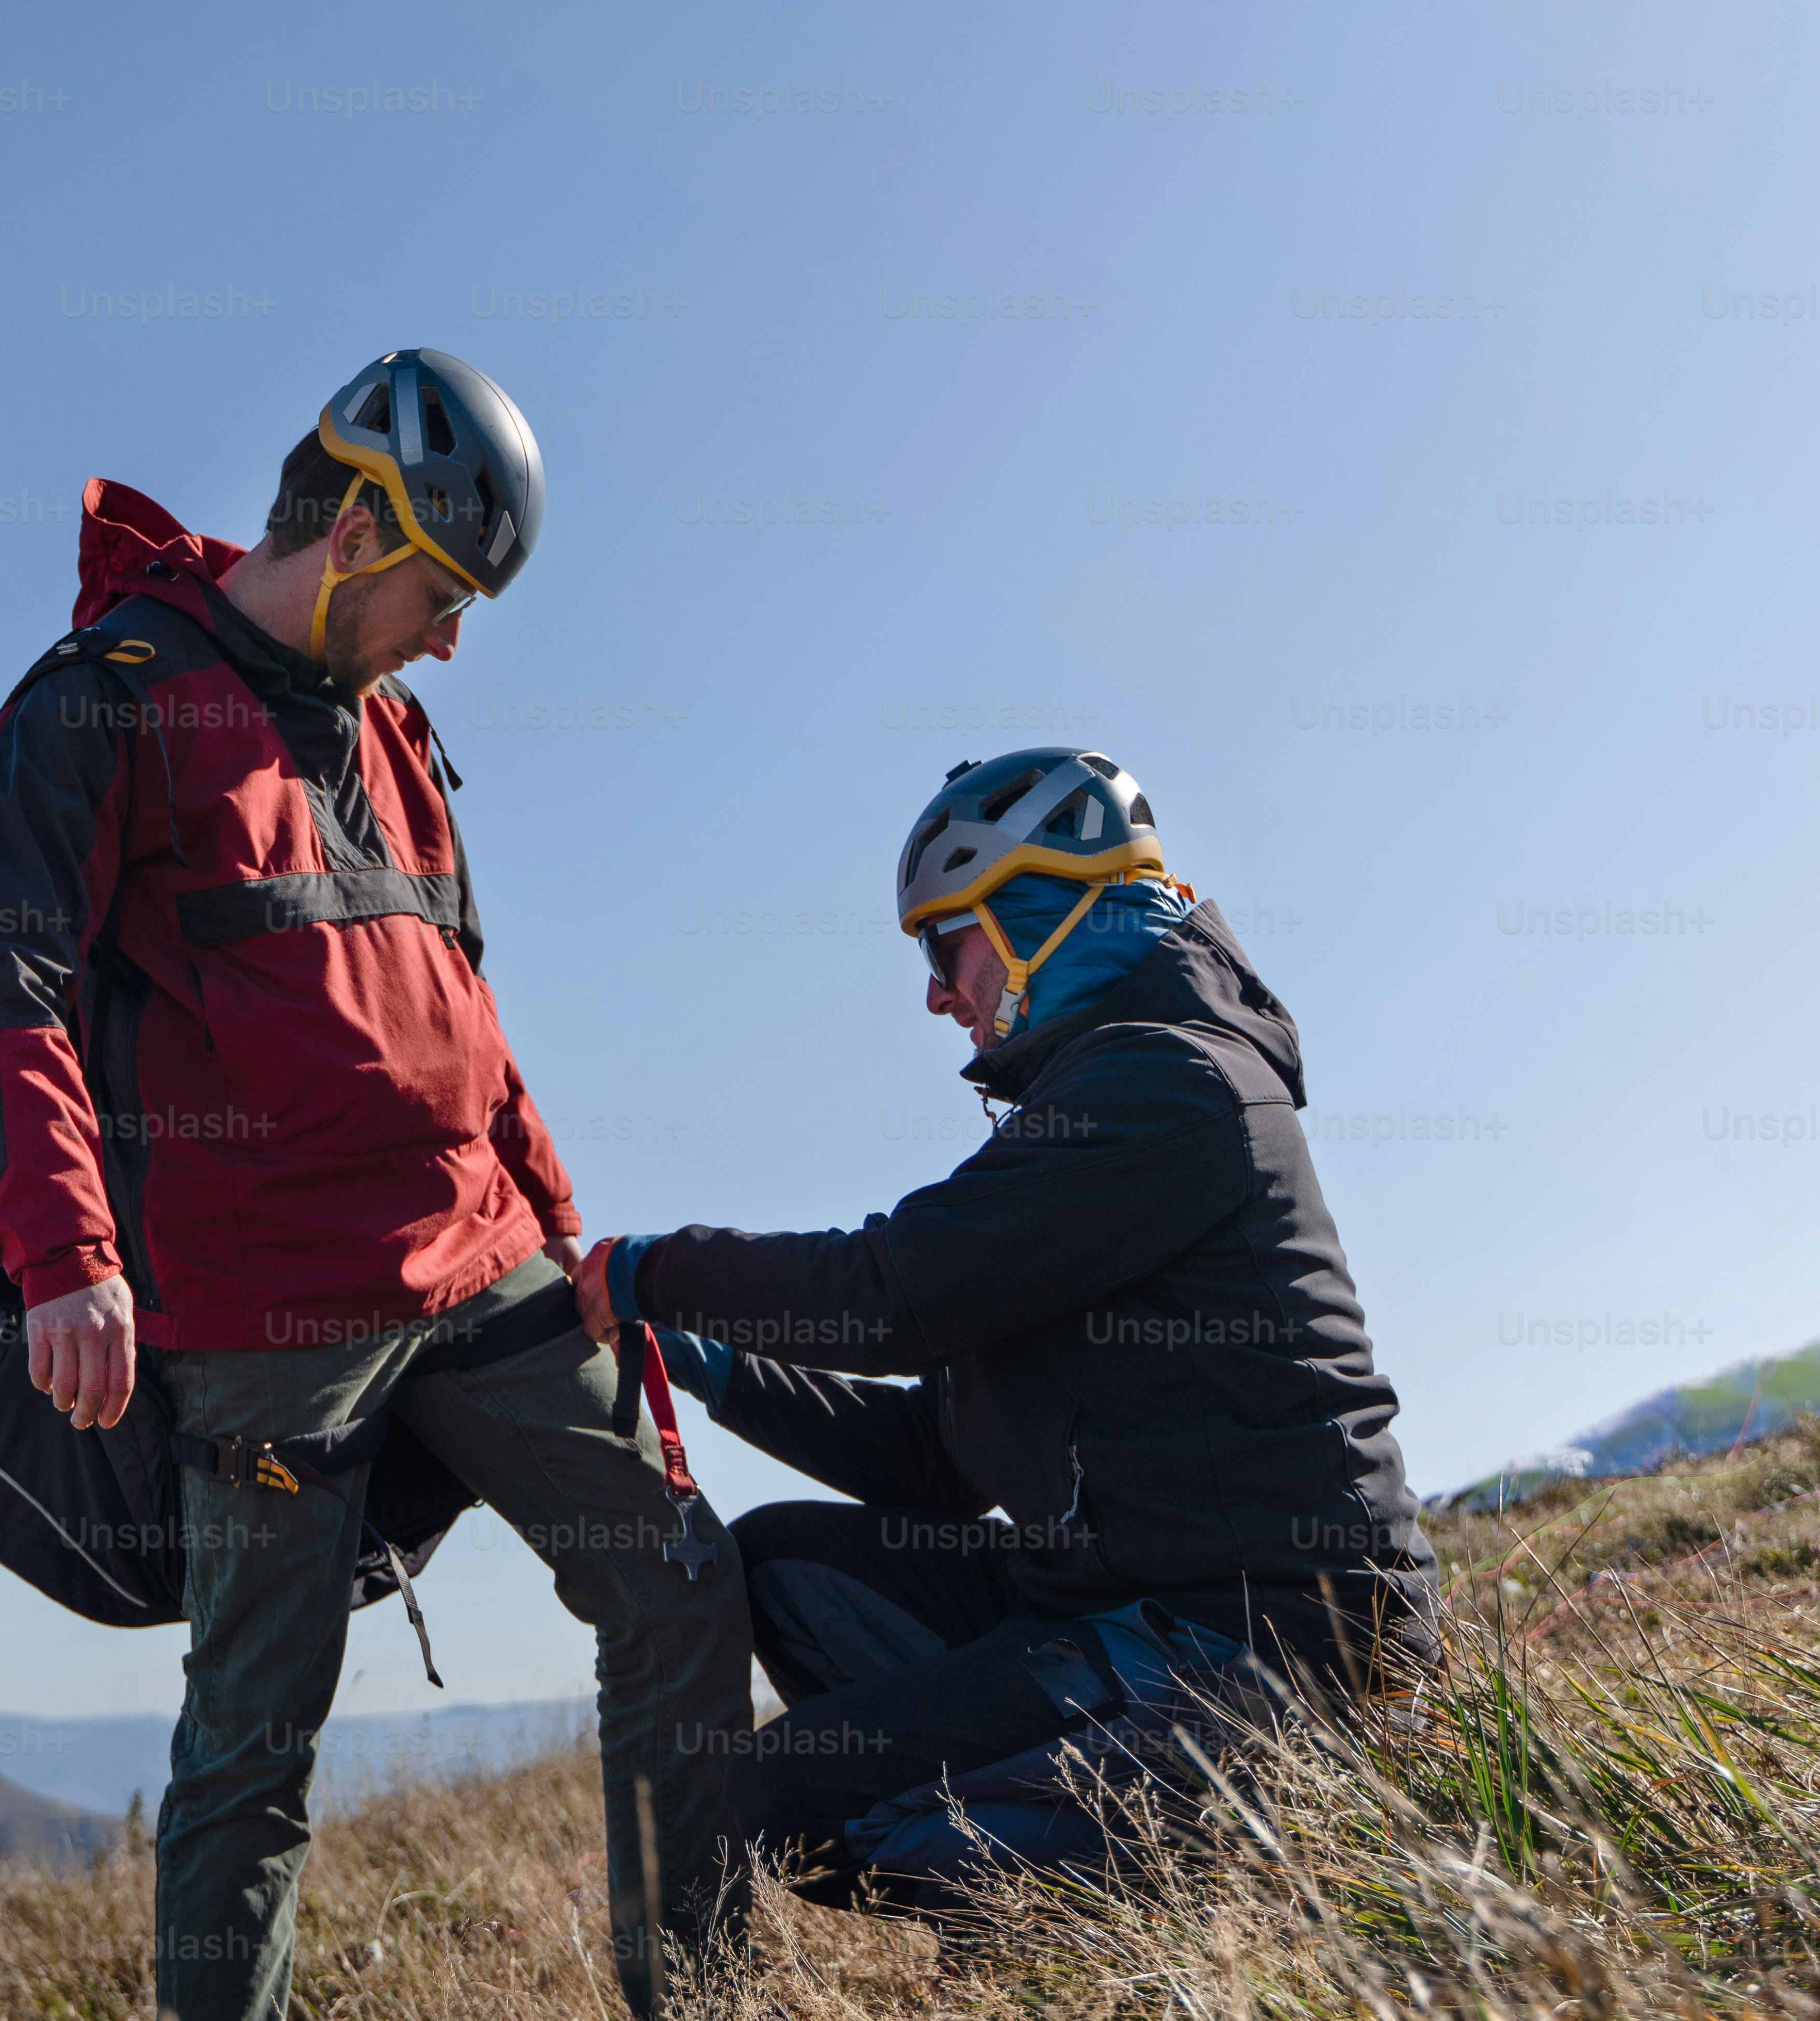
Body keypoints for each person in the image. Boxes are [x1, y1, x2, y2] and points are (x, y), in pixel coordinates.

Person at [0, 350, 752, 2021]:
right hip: (265, 1316)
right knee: (256, 1736)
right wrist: (64, 1255)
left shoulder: (397, 734)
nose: (452, 643)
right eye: (444, 597)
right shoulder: (105, 702)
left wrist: (577, 1255)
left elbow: (472, 1023)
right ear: (360, 530)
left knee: (684, 1582)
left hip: (486, 1264)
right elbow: (0, 979)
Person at [577, 748, 1436, 1909]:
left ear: (1046, 911)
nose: (936, 993)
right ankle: (1077, 1809)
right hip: (1128, 1603)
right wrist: (709, 1360)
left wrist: (654, 1272)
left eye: (946, 944)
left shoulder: (1170, 1084)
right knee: (781, 1563)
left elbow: (892, 1295)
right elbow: (932, 1461)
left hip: (1275, 1638)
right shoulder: (1091, 1104)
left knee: (799, 1800)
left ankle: (1249, 1855)